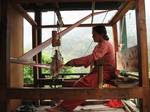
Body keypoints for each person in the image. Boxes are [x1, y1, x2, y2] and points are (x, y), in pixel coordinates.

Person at [46, 25, 117, 112]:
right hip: (99, 71)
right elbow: (93, 60)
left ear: (101, 34)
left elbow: (92, 58)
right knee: (77, 84)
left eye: (94, 34)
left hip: (106, 73)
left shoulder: (104, 45)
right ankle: (63, 106)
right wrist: (74, 63)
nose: (92, 36)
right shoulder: (101, 45)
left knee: (82, 84)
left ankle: (63, 108)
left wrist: (74, 62)